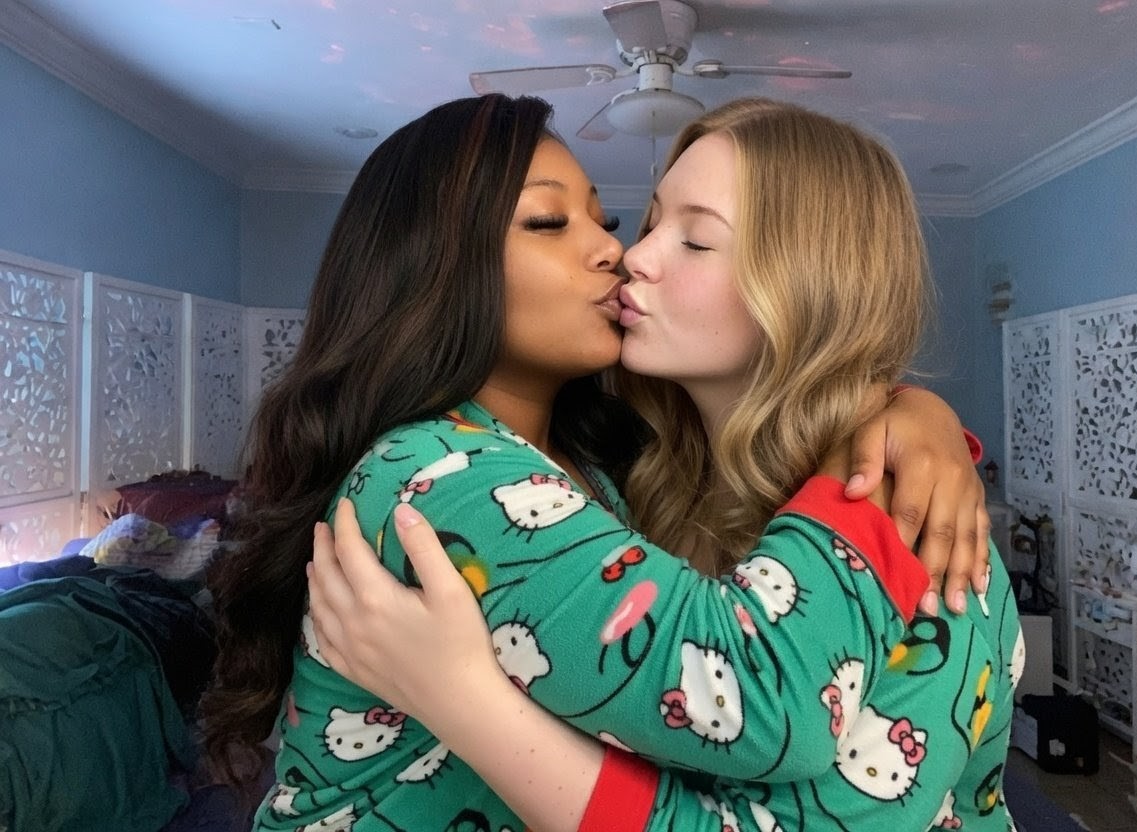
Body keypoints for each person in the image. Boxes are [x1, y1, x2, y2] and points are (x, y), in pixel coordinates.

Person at [201, 93, 992, 832]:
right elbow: (752, 695)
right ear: (429, 264)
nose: (622, 251)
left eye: (679, 235)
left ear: (811, 286)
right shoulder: (439, 473)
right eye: (549, 222)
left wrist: (907, 419)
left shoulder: (613, 474)